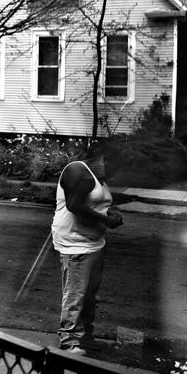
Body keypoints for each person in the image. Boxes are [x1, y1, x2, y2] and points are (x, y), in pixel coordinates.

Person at [51, 146, 123, 354]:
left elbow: (96, 205)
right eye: (117, 168)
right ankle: (69, 341)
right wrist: (105, 220)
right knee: (76, 293)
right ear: (106, 159)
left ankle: (86, 337)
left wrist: (112, 214)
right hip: (75, 243)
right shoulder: (78, 171)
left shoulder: (98, 178)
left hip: (94, 243)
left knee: (90, 294)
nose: (117, 174)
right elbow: (74, 205)